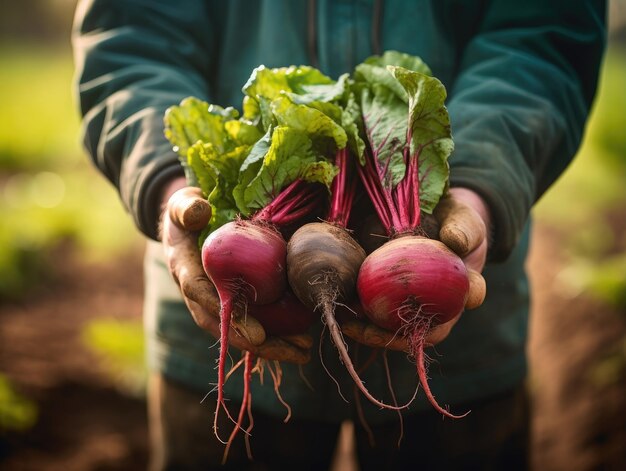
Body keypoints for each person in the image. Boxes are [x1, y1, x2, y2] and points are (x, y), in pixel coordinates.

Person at [72, 1, 606, 469]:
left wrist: (479, 189)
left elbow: (543, 40)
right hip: (220, 329)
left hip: (460, 324)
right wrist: (172, 187)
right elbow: (128, 42)